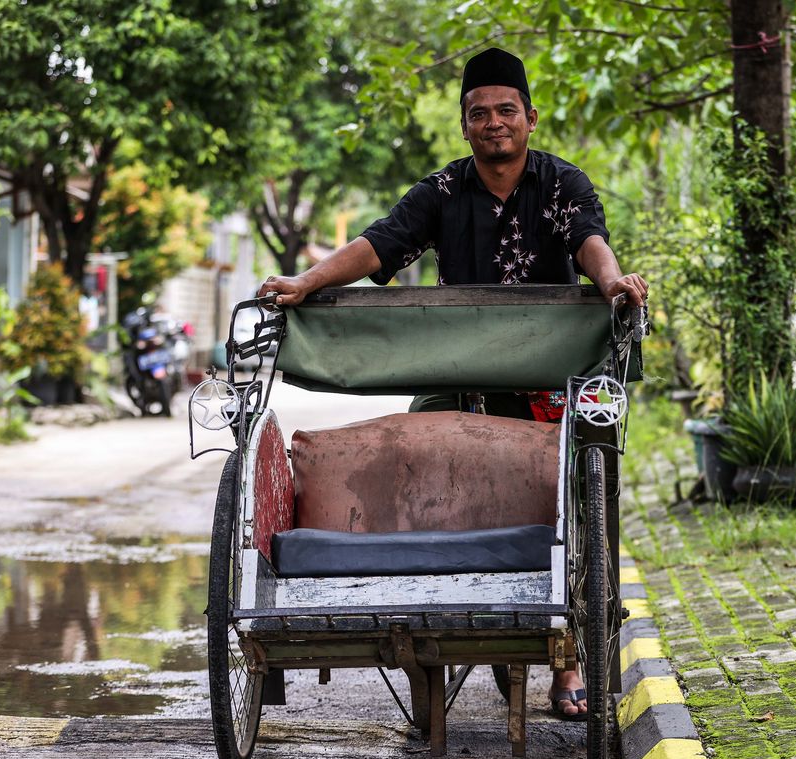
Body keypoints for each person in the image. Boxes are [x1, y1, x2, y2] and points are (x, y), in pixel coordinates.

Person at [258, 47, 647, 721]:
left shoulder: (561, 185)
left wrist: (612, 282)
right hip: (458, 377)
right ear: (463, 126)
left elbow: (589, 240)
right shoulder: (442, 191)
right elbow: (380, 244)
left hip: (538, 378)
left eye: (506, 111)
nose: (494, 123)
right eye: (479, 114)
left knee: (577, 490)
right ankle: (421, 653)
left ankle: (570, 660)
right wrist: (305, 281)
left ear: (529, 116)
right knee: (410, 464)